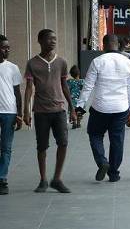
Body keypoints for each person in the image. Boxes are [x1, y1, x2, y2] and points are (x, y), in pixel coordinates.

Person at [76, 34, 130, 183]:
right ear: (118, 45)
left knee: (95, 134)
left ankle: (102, 162)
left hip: (100, 107)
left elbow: (88, 86)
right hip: (121, 108)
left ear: (104, 45)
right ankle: (114, 173)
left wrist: (80, 106)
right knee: (117, 140)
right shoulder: (129, 63)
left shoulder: (97, 62)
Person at [24, 29, 76, 193]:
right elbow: (29, 89)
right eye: (49, 39)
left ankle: (57, 179)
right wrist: (26, 110)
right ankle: (43, 179)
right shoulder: (32, 63)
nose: (53, 41)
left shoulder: (61, 62)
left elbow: (64, 85)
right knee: (42, 146)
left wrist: (72, 108)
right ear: (40, 41)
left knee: (63, 143)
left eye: (55, 38)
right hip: (40, 111)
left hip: (59, 109)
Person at [0, 35, 23, 195]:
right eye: (4, 47)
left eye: (8, 47)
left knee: (6, 148)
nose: (7, 50)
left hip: (9, 112)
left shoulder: (13, 67)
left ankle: (2, 179)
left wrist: (20, 114)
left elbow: (17, 92)